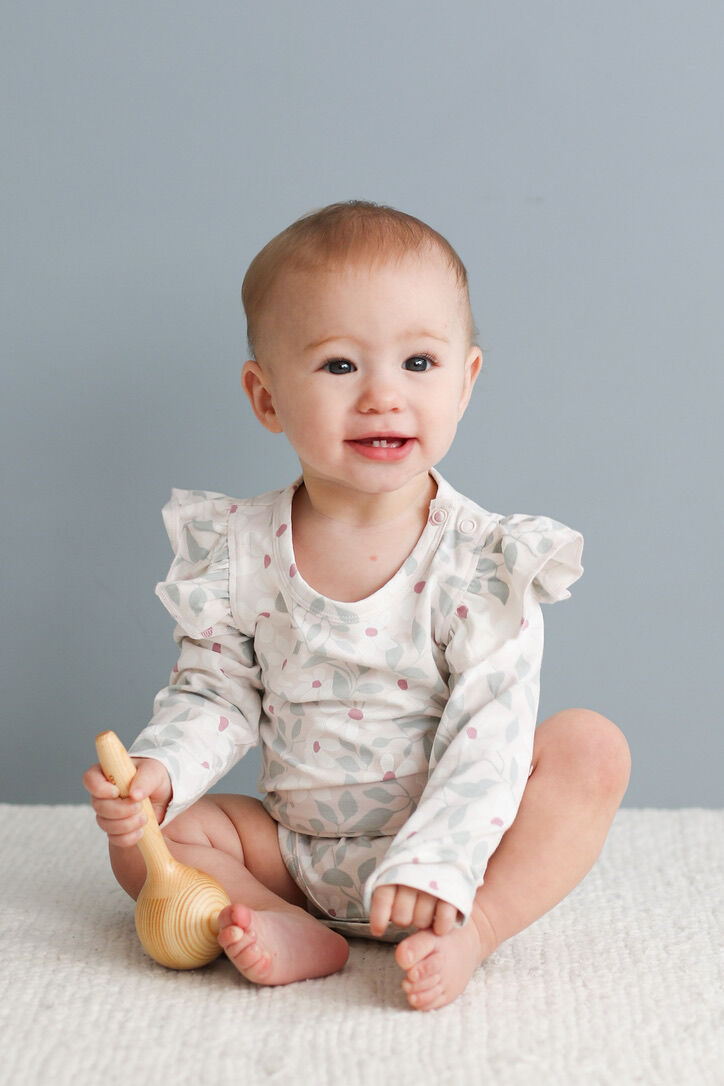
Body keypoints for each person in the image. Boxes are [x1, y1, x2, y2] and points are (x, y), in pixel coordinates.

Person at [83, 200, 630, 1011]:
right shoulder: (238, 549)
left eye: (418, 363)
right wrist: (162, 771)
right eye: (340, 366)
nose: (382, 395)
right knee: (152, 845)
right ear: (266, 398)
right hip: (298, 851)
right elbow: (217, 692)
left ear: (465, 382)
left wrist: (439, 859)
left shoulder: (480, 560)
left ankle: (475, 929)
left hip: (455, 854)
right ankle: (285, 924)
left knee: (590, 749)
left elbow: (492, 731)